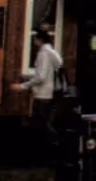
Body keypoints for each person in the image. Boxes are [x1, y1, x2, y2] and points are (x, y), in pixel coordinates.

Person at [17, 27, 65, 163]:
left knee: (41, 124)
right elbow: (59, 65)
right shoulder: (52, 52)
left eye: (35, 39)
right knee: (42, 123)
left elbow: (41, 77)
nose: (33, 42)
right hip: (49, 93)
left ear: (40, 40)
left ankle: (57, 147)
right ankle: (51, 150)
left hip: (42, 94)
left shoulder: (44, 53)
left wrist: (24, 85)